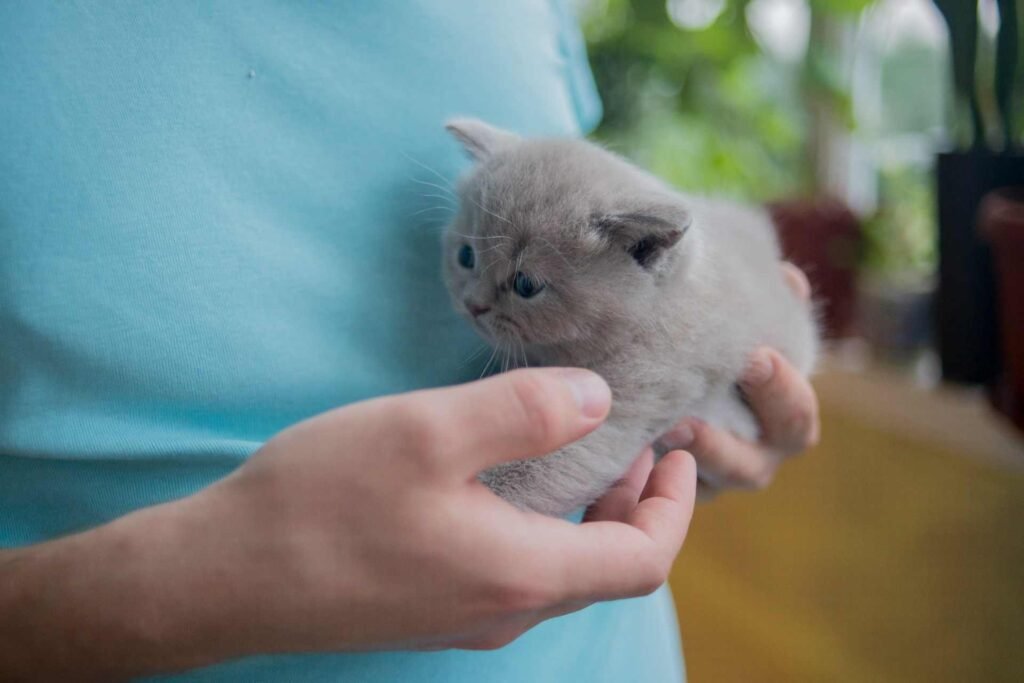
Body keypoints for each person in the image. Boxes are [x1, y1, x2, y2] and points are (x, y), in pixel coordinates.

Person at [0, 2, 819, 681]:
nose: (475, 301)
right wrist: (215, 579)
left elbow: (632, 215)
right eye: (465, 257)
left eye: (520, 287)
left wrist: (720, 439)